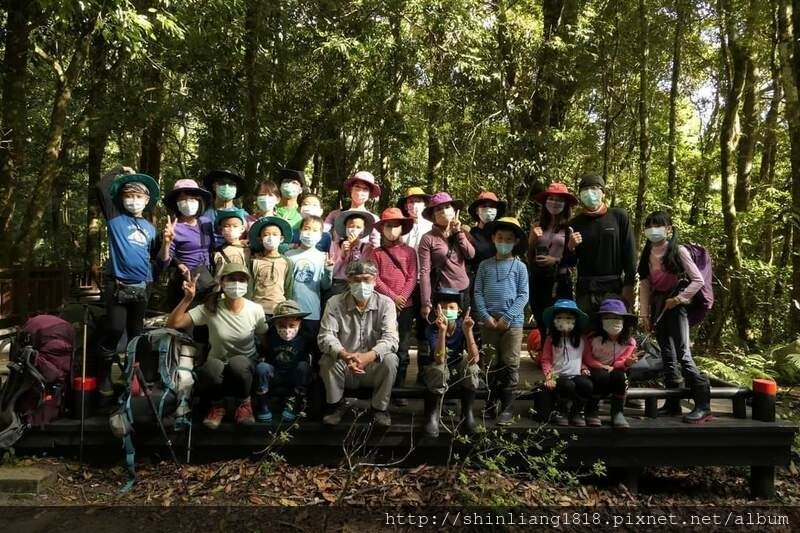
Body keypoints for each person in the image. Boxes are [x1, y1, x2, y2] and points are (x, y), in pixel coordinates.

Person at [166, 263, 268, 429]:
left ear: (247, 284)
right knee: (211, 365)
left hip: (245, 371)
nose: (237, 284)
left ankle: (245, 404)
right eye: (232, 279)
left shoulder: (255, 309)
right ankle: (217, 406)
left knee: (239, 363)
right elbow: (173, 323)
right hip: (218, 370)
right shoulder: (210, 308)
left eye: (241, 280)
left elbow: (264, 341)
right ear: (222, 282)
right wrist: (187, 299)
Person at [638, 211, 712, 424]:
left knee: (683, 354)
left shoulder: (678, 251)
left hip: (676, 307)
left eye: (658, 225)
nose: (654, 229)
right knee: (668, 356)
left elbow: (697, 280)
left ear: (668, 228)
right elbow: (644, 285)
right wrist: (644, 314)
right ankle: (673, 404)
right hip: (658, 306)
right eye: (650, 225)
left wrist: (679, 299)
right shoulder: (647, 253)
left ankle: (703, 405)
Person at [95, 168, 160, 400]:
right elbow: (102, 187)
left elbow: (155, 259)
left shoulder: (152, 229)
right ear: (121, 199)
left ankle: (133, 377)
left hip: (142, 285)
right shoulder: (115, 218)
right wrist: (120, 170)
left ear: (147, 200)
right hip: (117, 283)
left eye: (138, 196)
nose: (133, 200)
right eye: (128, 195)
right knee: (114, 328)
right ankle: (104, 375)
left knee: (136, 334)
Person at [317, 260, 399, 427]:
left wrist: (368, 356)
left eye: (366, 279)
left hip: (372, 367)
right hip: (345, 365)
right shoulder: (334, 302)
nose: (362, 284)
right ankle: (335, 405)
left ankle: (379, 408)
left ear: (375, 281)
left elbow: (391, 339)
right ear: (349, 281)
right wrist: (345, 355)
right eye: (357, 280)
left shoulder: (386, 303)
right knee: (327, 359)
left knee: (391, 359)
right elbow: (325, 337)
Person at [473, 216, 529, 425]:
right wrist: (485, 316)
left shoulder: (520, 266)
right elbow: (477, 292)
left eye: (508, 239)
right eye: (500, 237)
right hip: (488, 323)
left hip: (512, 324)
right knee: (490, 364)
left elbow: (523, 295)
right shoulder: (484, 265)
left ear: (515, 242)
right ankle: (489, 403)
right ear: (493, 239)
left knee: (510, 364)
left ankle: (507, 407)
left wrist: (507, 318)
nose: (503, 241)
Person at [565, 174, 636, 315]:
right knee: (587, 334)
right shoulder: (574, 223)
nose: (589, 192)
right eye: (584, 189)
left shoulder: (619, 216)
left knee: (613, 333)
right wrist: (571, 247)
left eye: (594, 188)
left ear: (603, 193)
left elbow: (630, 253)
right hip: (585, 290)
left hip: (613, 288)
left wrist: (628, 286)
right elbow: (570, 262)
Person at [372, 208, 418, 396]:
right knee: (381, 344)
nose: (392, 229)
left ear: (402, 228)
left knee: (403, 348)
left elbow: (413, 277)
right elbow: (374, 278)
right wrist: (392, 297)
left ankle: (399, 389)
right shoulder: (376, 253)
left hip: (405, 307)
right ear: (382, 228)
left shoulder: (409, 252)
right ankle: (381, 386)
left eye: (396, 226)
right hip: (383, 305)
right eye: (388, 226)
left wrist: (403, 298)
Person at [422, 289, 480, 437]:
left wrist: (468, 333)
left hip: (457, 369)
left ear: (459, 310)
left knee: (472, 368)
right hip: (438, 372)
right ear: (436, 311)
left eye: (452, 307)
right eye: (444, 307)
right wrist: (442, 331)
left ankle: (467, 414)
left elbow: (475, 359)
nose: (448, 310)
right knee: (439, 369)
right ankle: (432, 415)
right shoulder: (432, 328)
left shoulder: (463, 325)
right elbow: (439, 359)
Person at [528, 183, 577, 345]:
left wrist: (554, 260)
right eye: (551, 199)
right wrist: (532, 241)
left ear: (566, 205)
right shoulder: (537, 225)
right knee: (540, 315)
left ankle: (559, 352)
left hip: (559, 280)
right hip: (538, 278)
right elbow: (528, 255)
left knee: (560, 317)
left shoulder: (570, 228)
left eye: (559, 200)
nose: (554, 203)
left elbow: (573, 260)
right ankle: (544, 351)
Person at [159, 179, 215, 308]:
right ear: (176, 204)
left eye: (192, 199)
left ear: (199, 201)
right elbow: (163, 264)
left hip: (207, 281)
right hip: (186, 282)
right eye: (182, 199)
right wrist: (166, 243)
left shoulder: (206, 222)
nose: (188, 203)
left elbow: (213, 246)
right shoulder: (174, 228)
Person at [418, 192, 474, 321]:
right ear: (433, 216)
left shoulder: (463, 232)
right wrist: (426, 302)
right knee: (443, 331)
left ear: (454, 210)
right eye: (438, 209)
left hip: (463, 290)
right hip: (443, 292)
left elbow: (470, 254)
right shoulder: (428, 238)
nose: (444, 211)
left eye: (447, 207)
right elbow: (424, 271)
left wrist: (458, 232)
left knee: (461, 331)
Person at [583, 298, 638, 428]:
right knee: (601, 375)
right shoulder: (591, 338)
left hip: (616, 373)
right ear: (601, 320)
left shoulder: (629, 342)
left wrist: (627, 363)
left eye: (617, 317)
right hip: (596, 373)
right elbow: (587, 358)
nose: (613, 321)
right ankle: (592, 411)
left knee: (620, 376)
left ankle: (618, 412)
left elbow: (621, 362)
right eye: (608, 317)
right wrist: (602, 366)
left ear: (624, 321)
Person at [254, 300, 312, 423]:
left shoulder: (305, 337)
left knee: (304, 366)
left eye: (292, 325)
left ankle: (294, 403)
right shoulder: (269, 336)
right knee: (262, 367)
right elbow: (262, 353)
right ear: (274, 324)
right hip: (275, 374)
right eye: (281, 325)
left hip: (294, 376)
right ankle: (263, 404)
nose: (287, 330)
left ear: (300, 324)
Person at [397, 186, 433, 382]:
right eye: (410, 202)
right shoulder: (400, 227)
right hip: (402, 287)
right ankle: (400, 382)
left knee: (425, 332)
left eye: (418, 201)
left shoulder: (431, 226)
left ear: (424, 204)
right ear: (405, 205)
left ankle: (424, 377)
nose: (414, 205)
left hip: (425, 285)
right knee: (402, 334)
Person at [285, 214, 333, 360]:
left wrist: (328, 271)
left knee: (312, 347)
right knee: (292, 348)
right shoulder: (288, 255)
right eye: (307, 229)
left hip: (312, 311)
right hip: (290, 310)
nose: (310, 233)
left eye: (315, 230)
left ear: (321, 235)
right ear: (299, 231)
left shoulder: (322, 256)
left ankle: (311, 378)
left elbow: (325, 286)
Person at [539, 299, 593, 427]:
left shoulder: (582, 339)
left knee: (587, 385)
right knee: (567, 385)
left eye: (569, 317)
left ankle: (576, 412)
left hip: (576, 374)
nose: (564, 320)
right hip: (558, 376)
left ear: (575, 320)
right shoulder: (550, 339)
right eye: (560, 317)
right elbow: (545, 359)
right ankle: (561, 411)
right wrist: (549, 376)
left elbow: (584, 358)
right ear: (554, 320)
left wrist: (584, 368)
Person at [248, 217, 295, 318]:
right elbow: (249, 287)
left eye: (274, 234)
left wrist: (288, 309)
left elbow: (288, 288)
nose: (270, 238)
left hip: (279, 311)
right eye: (266, 235)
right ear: (260, 239)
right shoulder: (254, 261)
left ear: (281, 238)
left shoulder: (287, 262)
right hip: (257, 310)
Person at [323, 170, 381, 246]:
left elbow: (375, 245)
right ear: (351, 189)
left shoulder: (374, 219)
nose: (360, 191)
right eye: (357, 186)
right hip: (336, 256)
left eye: (365, 189)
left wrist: (360, 246)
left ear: (369, 194)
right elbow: (323, 233)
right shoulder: (335, 214)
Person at [329, 210, 375, 295]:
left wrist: (357, 247)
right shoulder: (335, 245)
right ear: (345, 227)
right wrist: (342, 255)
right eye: (351, 226)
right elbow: (332, 272)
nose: (354, 229)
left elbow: (363, 269)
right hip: (339, 284)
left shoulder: (367, 248)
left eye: (358, 227)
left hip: (358, 282)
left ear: (363, 230)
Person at [202, 169, 248, 247]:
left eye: (231, 184)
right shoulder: (202, 213)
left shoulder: (244, 217)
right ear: (214, 186)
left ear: (236, 189)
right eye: (222, 183)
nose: (226, 186)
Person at [467, 191, 506, 271]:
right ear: (477, 211)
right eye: (484, 206)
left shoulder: (504, 233)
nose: (488, 209)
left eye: (492, 206)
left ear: (497, 210)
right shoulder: (471, 235)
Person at [212, 209, 250, 274]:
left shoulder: (249, 251)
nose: (231, 229)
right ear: (221, 229)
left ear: (242, 229)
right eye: (226, 226)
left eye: (235, 226)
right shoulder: (217, 253)